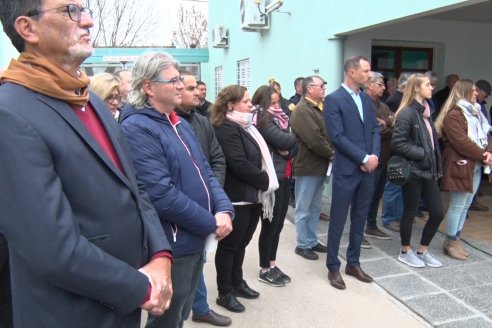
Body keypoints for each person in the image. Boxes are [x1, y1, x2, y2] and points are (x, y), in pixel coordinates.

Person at [0, 2, 173, 327]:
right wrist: (142, 286)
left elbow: (135, 188)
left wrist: (161, 256)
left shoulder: (89, 99)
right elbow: (52, 249)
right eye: (71, 11)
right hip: (72, 314)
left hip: (123, 305)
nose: (89, 21)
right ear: (28, 28)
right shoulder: (10, 112)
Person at [119, 53, 234, 328]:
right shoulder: (137, 127)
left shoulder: (179, 123)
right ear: (148, 87)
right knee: (167, 319)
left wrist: (224, 209)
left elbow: (205, 171)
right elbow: (161, 195)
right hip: (175, 243)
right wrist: (210, 223)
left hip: (195, 236)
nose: (181, 86)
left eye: (180, 79)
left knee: (181, 312)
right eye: (173, 81)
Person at [211, 85, 278, 313]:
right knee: (229, 246)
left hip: (252, 197)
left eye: (250, 101)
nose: (251, 105)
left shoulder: (246, 126)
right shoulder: (227, 128)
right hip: (237, 197)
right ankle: (224, 292)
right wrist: (266, 181)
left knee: (242, 244)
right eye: (246, 101)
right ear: (230, 104)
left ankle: (237, 283)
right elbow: (238, 163)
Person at [174, 71, 231, 327]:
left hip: (206, 201)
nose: (197, 92)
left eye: (197, 87)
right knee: (189, 260)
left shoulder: (202, 121)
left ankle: (199, 307)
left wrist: (212, 192)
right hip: (184, 206)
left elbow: (216, 159)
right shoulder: (165, 125)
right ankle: (196, 307)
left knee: (200, 258)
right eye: (190, 88)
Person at [324, 56, 380, 290]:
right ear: (351, 72)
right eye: (366, 71)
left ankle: (353, 263)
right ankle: (333, 266)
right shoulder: (333, 100)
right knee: (338, 219)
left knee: (360, 218)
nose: (369, 75)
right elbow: (337, 137)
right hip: (348, 170)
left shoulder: (366, 100)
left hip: (369, 170)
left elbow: (375, 129)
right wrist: (364, 158)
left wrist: (374, 157)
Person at [391, 73, 444, 268]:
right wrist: (422, 153)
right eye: (428, 85)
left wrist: (434, 161)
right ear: (416, 89)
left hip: (428, 171)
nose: (432, 88)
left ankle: (422, 251)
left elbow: (432, 142)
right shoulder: (407, 113)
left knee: (438, 212)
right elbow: (398, 144)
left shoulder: (426, 112)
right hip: (413, 171)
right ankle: (405, 251)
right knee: (410, 212)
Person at [435, 79, 492, 260]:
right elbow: (462, 143)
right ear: (465, 92)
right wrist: (484, 156)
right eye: (474, 91)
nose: (477, 94)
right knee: (457, 206)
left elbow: (487, 133)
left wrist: (489, 151)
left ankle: (456, 239)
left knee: (466, 205)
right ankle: (451, 242)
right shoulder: (454, 115)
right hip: (461, 164)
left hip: (474, 165)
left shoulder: (475, 112)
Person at [253, 85, 297, 287]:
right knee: (270, 226)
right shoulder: (262, 119)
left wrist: (289, 146)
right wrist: (291, 140)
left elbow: (291, 145)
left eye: (278, 101)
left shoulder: (279, 119)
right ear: (262, 103)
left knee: (278, 225)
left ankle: (272, 263)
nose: (277, 105)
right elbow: (284, 140)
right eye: (273, 102)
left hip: (285, 175)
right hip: (272, 179)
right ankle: (264, 268)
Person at [290, 75, 334, 261]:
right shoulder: (302, 110)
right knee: (303, 208)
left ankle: (311, 239)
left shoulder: (319, 108)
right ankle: (302, 244)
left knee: (316, 207)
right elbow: (314, 139)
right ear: (309, 89)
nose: (324, 88)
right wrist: (332, 154)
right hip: (308, 166)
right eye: (321, 86)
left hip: (321, 166)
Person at [363, 72, 393, 246]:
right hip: (369, 158)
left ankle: (371, 225)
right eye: (380, 84)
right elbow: (371, 131)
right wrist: (385, 126)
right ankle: (358, 230)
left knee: (376, 195)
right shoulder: (363, 104)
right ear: (369, 84)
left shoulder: (383, 106)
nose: (384, 87)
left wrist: (386, 123)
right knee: (364, 196)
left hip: (384, 157)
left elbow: (393, 124)